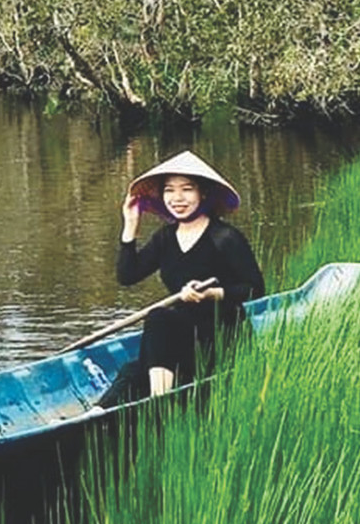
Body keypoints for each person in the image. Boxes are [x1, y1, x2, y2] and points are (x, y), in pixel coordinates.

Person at [99, 150, 265, 408]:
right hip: (184, 335)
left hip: (222, 335)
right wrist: (130, 225)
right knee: (133, 371)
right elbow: (127, 276)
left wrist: (212, 294)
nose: (177, 198)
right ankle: (96, 414)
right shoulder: (165, 238)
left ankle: (160, 404)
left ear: (203, 193)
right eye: (169, 190)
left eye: (187, 189)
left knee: (158, 318)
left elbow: (255, 289)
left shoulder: (224, 237)